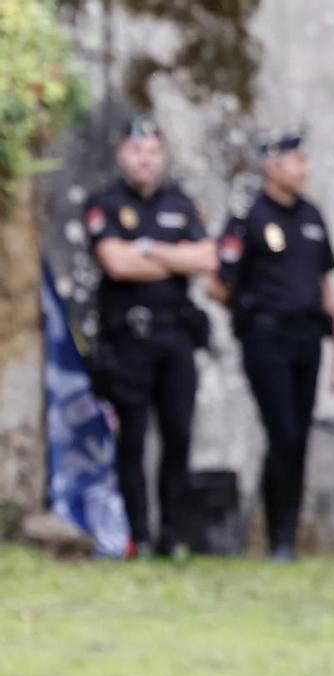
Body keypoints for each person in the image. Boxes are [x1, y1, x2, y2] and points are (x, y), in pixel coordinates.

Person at [83, 115, 217, 560]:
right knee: (133, 439)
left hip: (176, 335)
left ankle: (171, 534)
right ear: (122, 154)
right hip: (128, 340)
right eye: (137, 151)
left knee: (178, 434)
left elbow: (206, 257)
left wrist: (146, 248)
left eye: (154, 151)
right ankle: (137, 535)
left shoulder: (180, 203)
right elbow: (116, 264)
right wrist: (173, 257)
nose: (146, 159)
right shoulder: (104, 202)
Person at [211, 128, 334, 563]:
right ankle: (277, 536)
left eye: (305, 161)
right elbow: (218, 284)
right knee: (282, 432)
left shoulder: (312, 216)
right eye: (295, 161)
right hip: (266, 337)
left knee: (299, 437)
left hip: (309, 337)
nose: (303, 169)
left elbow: (325, 282)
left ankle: (287, 532)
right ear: (271, 166)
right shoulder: (248, 216)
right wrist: (252, 310)